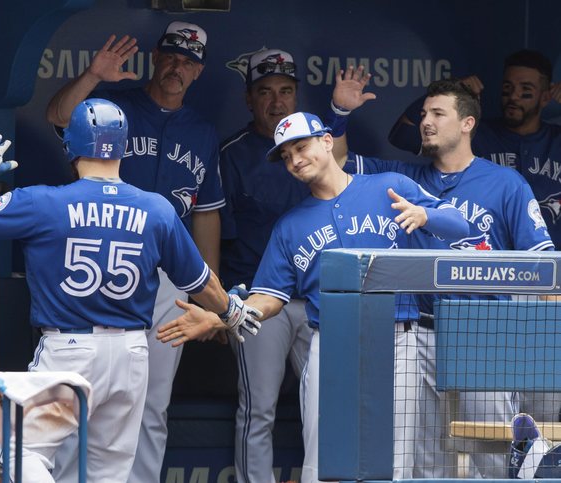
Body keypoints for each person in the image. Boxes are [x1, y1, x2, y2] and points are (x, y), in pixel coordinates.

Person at [0, 99, 260, 483]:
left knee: (23, 452)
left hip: (69, 351)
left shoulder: (46, 201)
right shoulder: (157, 209)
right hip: (131, 354)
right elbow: (202, 283)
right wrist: (232, 312)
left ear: (71, 148)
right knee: (107, 475)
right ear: (123, 148)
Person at [158, 111, 469, 482]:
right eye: (286, 156)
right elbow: (269, 298)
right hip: (330, 344)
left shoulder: (389, 186)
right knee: (324, 464)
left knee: (395, 464)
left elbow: (458, 225)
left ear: (326, 141)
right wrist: (223, 313)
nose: (294, 160)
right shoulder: (291, 225)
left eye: (300, 147)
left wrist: (424, 215)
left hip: (398, 340)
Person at [337, 78, 555, 478]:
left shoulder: (506, 183)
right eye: (423, 114)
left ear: (468, 123)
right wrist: (339, 113)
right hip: (420, 331)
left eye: (438, 114)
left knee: (493, 452)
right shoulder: (403, 179)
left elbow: (543, 264)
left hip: (483, 331)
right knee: (426, 455)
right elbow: (336, 163)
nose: (426, 122)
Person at [46, 21, 225, 482]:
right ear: (155, 58)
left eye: (187, 61)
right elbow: (59, 115)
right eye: (169, 56)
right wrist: (93, 77)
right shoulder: (113, 108)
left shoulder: (203, 131)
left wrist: (211, 299)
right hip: (101, 262)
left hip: (168, 281)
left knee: (152, 400)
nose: (176, 67)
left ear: (199, 72)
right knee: (77, 394)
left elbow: (205, 213)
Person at [219, 48, 374, 483]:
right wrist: (220, 302)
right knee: (258, 407)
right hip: (260, 299)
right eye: (265, 92)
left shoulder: (317, 150)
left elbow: (340, 168)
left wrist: (340, 112)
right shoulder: (232, 153)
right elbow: (213, 225)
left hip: (320, 303)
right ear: (249, 99)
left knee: (328, 405)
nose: (276, 101)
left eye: (286, 91)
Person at [389, 49, 561, 250]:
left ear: (546, 96)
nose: (513, 96)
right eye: (507, 87)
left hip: (548, 257)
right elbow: (402, 135)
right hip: (482, 257)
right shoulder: (476, 134)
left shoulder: (557, 139)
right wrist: (452, 93)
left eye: (525, 89)